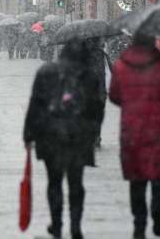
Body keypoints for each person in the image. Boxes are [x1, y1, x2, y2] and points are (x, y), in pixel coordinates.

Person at [24, 39, 104, 239]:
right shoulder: (89, 77)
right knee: (76, 183)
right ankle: (76, 226)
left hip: (51, 136)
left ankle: (57, 224)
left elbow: (35, 105)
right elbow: (97, 108)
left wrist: (29, 133)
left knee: (54, 182)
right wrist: (93, 133)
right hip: (78, 137)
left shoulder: (46, 72)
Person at [109, 33, 160, 239]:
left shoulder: (121, 65)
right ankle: (157, 211)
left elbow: (114, 96)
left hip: (133, 130)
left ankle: (139, 220)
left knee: (137, 177)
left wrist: (131, 103)